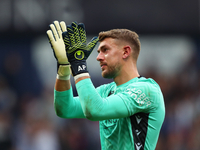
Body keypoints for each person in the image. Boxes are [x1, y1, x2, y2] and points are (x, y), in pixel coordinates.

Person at [46, 20, 165, 150]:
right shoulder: (106, 91)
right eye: (98, 51)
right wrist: (64, 67)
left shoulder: (147, 90)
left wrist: (79, 64)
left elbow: (95, 110)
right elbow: (65, 108)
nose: (99, 57)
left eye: (105, 50)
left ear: (125, 52)